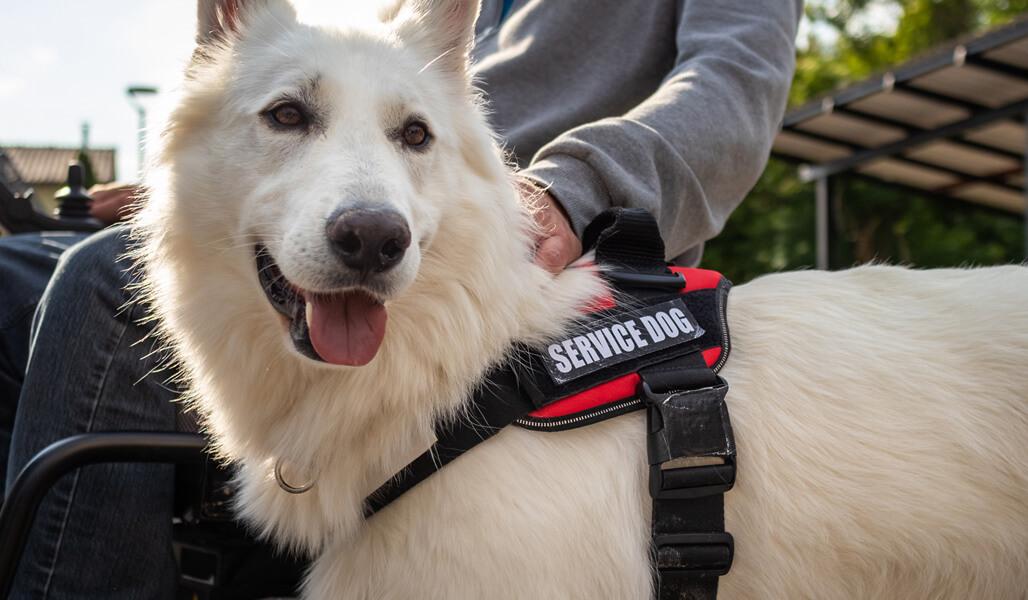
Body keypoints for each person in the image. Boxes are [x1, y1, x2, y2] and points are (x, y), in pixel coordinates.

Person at [2, 1, 801, 597]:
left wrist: (573, 189)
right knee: (15, 272)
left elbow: (733, 91)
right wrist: (190, 186)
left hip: (546, 239)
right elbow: (341, 117)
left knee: (100, 283)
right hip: (393, 203)